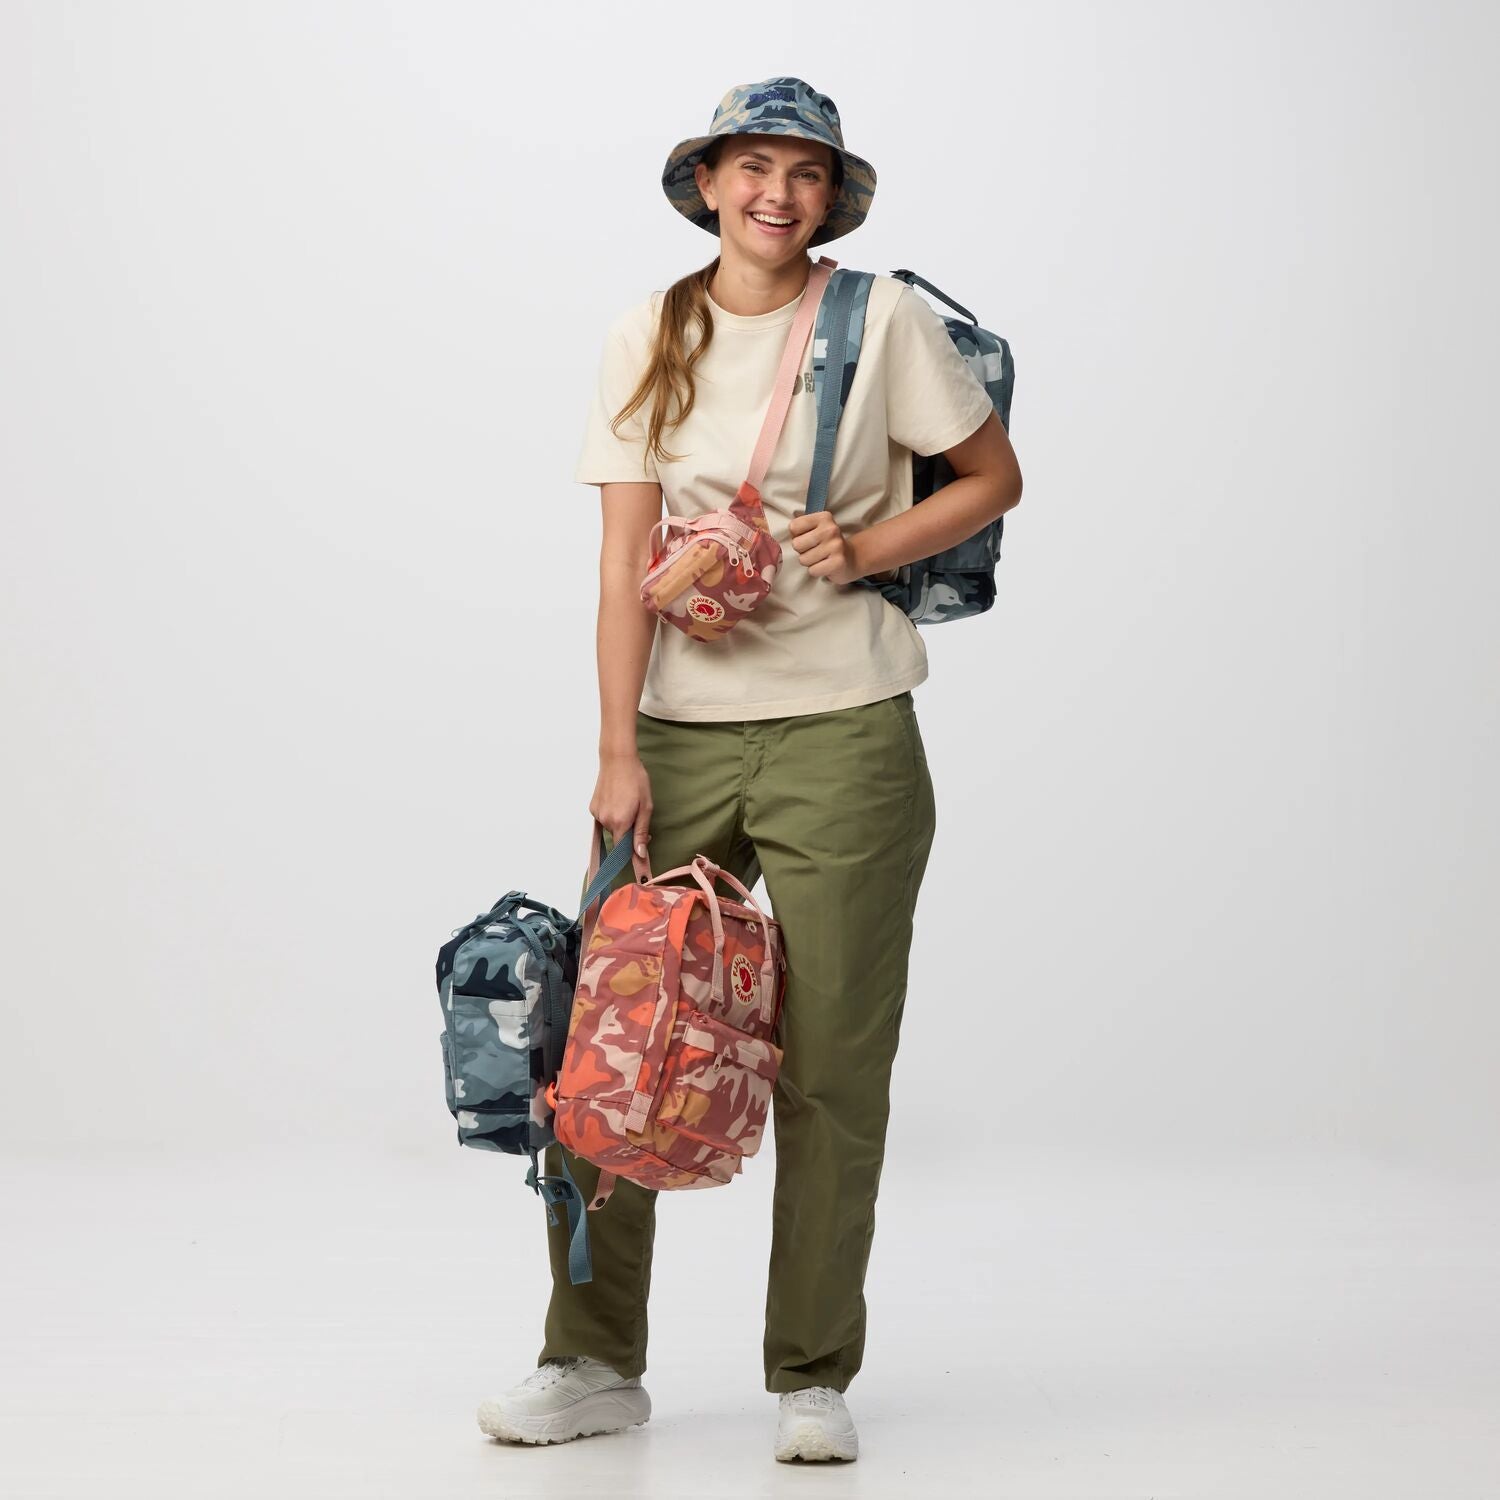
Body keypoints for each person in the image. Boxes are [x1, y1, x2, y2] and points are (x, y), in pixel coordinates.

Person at [477, 75, 1022, 1463]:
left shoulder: (880, 319)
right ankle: (591, 1359)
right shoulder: (647, 331)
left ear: (831, 198)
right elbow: (619, 566)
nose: (778, 193)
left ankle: (811, 1375)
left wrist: (871, 547)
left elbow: (989, 473)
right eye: (753, 167)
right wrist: (616, 751)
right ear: (709, 184)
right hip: (672, 736)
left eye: (806, 173)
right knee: (617, 1051)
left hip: (848, 727)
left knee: (835, 1065)